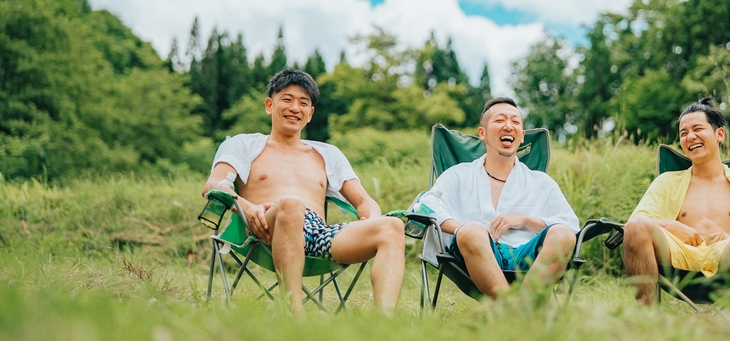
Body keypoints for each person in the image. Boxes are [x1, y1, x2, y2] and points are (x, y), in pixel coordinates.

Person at [201, 68, 405, 313]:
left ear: (310, 113)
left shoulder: (327, 154)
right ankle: (294, 319)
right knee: (291, 204)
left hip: (318, 234)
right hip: (264, 230)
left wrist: (371, 218)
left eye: (303, 103)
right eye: (287, 99)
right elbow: (214, 185)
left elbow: (364, 201)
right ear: (269, 105)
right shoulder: (244, 144)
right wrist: (245, 206)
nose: (294, 108)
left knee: (392, 226)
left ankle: (385, 326)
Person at [622, 97, 730, 304]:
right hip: (679, 256)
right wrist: (673, 226)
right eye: (683, 133)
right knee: (636, 226)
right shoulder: (667, 181)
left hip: (727, 255)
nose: (690, 137)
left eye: (697, 129)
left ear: (719, 134)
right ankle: (646, 323)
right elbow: (635, 223)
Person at [418, 97, 579, 299]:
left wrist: (525, 220)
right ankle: (518, 310)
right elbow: (425, 206)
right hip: (474, 253)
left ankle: (507, 309)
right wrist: (463, 229)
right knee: (472, 229)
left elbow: (570, 225)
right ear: (482, 133)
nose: (508, 126)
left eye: (515, 122)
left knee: (563, 234)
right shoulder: (458, 175)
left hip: (526, 255)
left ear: (521, 137)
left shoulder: (541, 182)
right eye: (500, 120)